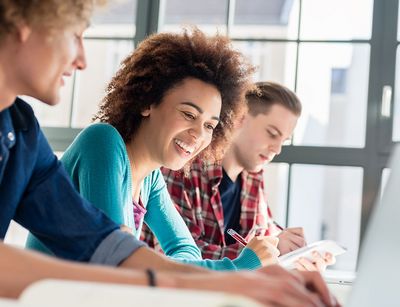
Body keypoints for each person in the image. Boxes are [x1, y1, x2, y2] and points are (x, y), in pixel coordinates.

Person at [0, 1, 338, 306]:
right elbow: (108, 261)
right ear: (25, 25)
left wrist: (241, 280)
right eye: (75, 35)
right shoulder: (102, 142)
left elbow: (104, 244)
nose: (83, 60)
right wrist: (237, 273)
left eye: (210, 125)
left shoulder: (22, 131)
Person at [27, 27, 280, 271]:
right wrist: (239, 267)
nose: (198, 134)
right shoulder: (103, 143)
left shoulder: (151, 178)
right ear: (148, 102)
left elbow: (186, 249)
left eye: (210, 125)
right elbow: (116, 264)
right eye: (188, 113)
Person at [142, 82, 334, 272]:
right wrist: (266, 252)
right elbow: (182, 258)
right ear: (239, 119)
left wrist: (295, 252)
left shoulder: (253, 176)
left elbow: (266, 232)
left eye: (283, 140)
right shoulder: (181, 166)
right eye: (272, 134)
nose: (277, 149)